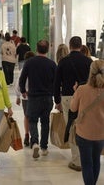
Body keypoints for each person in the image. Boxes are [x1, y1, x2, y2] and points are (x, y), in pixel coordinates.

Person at [54, 36, 92, 171]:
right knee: (85, 126)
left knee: (71, 127)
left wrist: (57, 101)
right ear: (81, 46)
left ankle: (77, 160)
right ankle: (88, 158)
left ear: (70, 46)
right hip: (87, 97)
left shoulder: (63, 62)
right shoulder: (88, 61)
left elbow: (57, 82)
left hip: (68, 97)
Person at [19, 40, 56, 158]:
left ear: (36, 49)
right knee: (45, 122)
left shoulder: (29, 62)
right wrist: (56, 97)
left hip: (33, 97)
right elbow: (56, 82)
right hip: (47, 97)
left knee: (32, 120)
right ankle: (44, 147)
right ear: (48, 50)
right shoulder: (52, 64)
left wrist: (23, 91)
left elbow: (22, 78)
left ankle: (34, 142)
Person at [70, 60, 104, 185]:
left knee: (87, 163)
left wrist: (75, 92)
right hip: (101, 133)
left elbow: (73, 108)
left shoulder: (82, 89)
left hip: (84, 132)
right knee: (96, 160)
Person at [15, 51, 35, 146]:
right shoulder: (36, 69)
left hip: (25, 97)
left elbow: (18, 84)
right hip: (35, 96)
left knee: (27, 116)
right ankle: (33, 137)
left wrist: (18, 96)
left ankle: (27, 135)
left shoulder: (23, 69)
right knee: (33, 117)